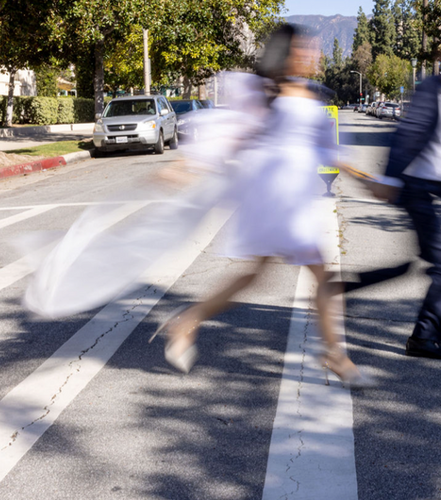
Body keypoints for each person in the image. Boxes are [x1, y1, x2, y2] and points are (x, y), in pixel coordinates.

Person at [154, 25, 374, 387]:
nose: (312, 55)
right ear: (287, 54)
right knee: (315, 274)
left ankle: (186, 322)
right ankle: (335, 356)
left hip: (294, 199)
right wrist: (186, 165)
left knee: (255, 275)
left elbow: (330, 149)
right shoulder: (262, 91)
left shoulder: (312, 95)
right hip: (272, 197)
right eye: (305, 49)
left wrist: (365, 178)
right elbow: (229, 131)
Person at [361, 37, 441, 360]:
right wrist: (390, 179)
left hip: (437, 184)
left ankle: (348, 287)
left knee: (430, 261)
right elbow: (408, 134)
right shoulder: (434, 88)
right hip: (414, 184)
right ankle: (423, 338)